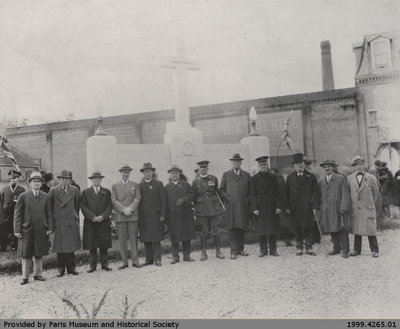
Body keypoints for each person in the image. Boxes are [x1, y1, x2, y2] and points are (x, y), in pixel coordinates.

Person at [14, 172, 51, 285]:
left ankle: (38, 274)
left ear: (41, 183)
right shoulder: (23, 196)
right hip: (26, 229)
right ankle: (25, 277)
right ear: (30, 183)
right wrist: (17, 230)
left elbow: (49, 213)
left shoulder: (45, 196)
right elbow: (18, 214)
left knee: (39, 252)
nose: (36, 183)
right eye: (34, 181)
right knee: (26, 254)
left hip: (41, 229)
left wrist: (49, 227)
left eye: (39, 181)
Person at [285, 153, 320, 256]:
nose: (299, 165)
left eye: (301, 163)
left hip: (307, 206)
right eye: (297, 164)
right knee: (297, 227)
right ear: (294, 165)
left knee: (308, 226)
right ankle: (299, 247)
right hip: (294, 207)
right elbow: (286, 193)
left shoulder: (311, 177)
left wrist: (315, 205)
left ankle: (309, 247)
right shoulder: (290, 177)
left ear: (304, 164)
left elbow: (316, 192)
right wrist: (287, 206)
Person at [48, 170, 81, 276]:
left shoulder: (75, 190)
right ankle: (61, 269)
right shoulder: (53, 191)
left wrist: (74, 216)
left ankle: (71, 268)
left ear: (70, 179)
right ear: (59, 180)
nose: (65, 180)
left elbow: (77, 205)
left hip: (70, 221)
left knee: (70, 247)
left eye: (67, 178)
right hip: (59, 222)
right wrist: (52, 222)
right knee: (60, 247)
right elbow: (49, 208)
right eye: (63, 178)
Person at [192, 160, 225, 261]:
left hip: (213, 207)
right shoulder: (195, 181)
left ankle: (218, 251)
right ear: (199, 169)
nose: (203, 169)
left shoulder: (213, 178)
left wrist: (223, 203)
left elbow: (217, 192)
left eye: (205, 167)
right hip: (202, 209)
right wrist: (195, 208)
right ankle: (203, 253)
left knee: (215, 229)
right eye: (201, 168)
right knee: (204, 230)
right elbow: (193, 195)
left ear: (207, 168)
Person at [347, 155, 380, 257]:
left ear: (363, 165)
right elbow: (348, 192)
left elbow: (376, 193)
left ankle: (374, 250)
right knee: (357, 229)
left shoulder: (371, 178)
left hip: (368, 207)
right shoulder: (349, 178)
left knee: (371, 230)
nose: (359, 167)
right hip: (356, 208)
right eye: (356, 165)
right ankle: (357, 250)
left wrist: (369, 203)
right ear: (354, 167)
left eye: (360, 164)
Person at [249, 156, 282, 257]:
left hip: (272, 206)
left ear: (268, 165)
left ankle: (273, 250)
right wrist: (254, 208)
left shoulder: (273, 177)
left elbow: (278, 193)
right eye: (261, 165)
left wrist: (278, 206)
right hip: (260, 207)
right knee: (261, 230)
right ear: (258, 166)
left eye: (265, 164)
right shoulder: (254, 179)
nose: (263, 166)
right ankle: (263, 251)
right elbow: (252, 194)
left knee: (272, 229)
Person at [220, 153, 250, 260]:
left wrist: (246, 201)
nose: (236, 163)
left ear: (241, 162)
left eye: (238, 161)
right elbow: (221, 190)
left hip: (242, 206)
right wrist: (227, 198)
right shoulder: (226, 174)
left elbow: (250, 191)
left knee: (241, 227)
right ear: (231, 162)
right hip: (231, 206)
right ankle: (233, 251)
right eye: (234, 161)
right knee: (232, 228)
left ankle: (240, 249)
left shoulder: (246, 175)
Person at [81, 170, 113, 272]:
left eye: (98, 179)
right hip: (91, 222)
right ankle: (92, 265)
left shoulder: (106, 191)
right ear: (91, 180)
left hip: (103, 221)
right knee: (92, 244)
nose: (96, 180)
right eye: (94, 179)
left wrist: (103, 216)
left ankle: (105, 264)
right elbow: (83, 207)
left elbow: (109, 206)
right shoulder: (85, 192)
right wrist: (92, 217)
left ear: (101, 180)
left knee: (104, 244)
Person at [111, 164, 142, 269]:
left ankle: (135, 260)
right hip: (121, 216)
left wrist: (130, 209)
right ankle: (124, 262)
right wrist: (124, 210)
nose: (125, 174)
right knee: (122, 240)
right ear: (120, 173)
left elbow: (137, 198)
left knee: (133, 239)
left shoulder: (135, 185)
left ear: (130, 173)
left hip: (132, 215)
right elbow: (114, 200)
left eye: (127, 172)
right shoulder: (115, 186)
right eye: (124, 172)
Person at [318, 159, 350, 258]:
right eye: (325, 167)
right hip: (327, 209)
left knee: (341, 228)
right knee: (332, 228)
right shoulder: (321, 181)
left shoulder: (340, 178)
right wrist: (321, 207)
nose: (327, 168)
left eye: (329, 166)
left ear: (333, 167)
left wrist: (343, 207)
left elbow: (345, 194)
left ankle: (345, 250)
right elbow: (319, 195)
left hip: (338, 208)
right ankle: (336, 248)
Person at [165, 165, 195, 264]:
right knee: (174, 236)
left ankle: (187, 255)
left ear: (179, 174)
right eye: (172, 173)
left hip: (185, 215)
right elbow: (164, 203)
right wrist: (165, 216)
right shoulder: (166, 187)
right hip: (173, 216)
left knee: (186, 236)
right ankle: (175, 256)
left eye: (176, 173)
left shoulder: (185, 184)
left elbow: (192, 195)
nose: (174, 175)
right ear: (170, 174)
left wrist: (184, 200)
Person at [139, 163, 167, 266]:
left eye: (149, 171)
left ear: (152, 172)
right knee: (146, 238)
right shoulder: (140, 185)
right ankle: (148, 259)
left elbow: (163, 200)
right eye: (145, 171)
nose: (147, 173)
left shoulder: (159, 184)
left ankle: (157, 259)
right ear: (143, 173)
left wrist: (163, 215)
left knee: (156, 238)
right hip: (144, 216)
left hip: (156, 215)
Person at [2, 170, 26, 251]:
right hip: (6, 214)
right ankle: (3, 246)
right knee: (5, 230)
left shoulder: (22, 189)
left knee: (15, 229)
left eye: (14, 178)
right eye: (11, 178)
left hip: (16, 213)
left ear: (18, 179)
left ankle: (14, 246)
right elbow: (2, 201)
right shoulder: (5, 189)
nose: (12, 179)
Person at [270, 167, 294, 246]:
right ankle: (272, 241)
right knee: (273, 224)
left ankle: (287, 240)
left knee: (284, 223)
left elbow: (284, 193)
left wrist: (285, 206)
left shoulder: (280, 179)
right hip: (271, 205)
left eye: (274, 172)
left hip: (281, 204)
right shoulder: (269, 179)